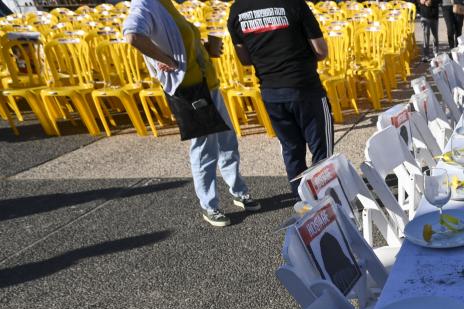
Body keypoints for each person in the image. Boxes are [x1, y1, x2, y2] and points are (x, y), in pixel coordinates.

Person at [125, 0, 256, 227]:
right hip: (188, 90)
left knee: (227, 142)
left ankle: (239, 192)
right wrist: (162, 60)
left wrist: (205, 48)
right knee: (205, 150)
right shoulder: (145, 3)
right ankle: (210, 206)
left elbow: (179, 41)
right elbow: (132, 34)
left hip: (209, 85)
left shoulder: (168, 4)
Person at [228, 0, 332, 197]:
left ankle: (301, 200)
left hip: (271, 91)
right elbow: (321, 51)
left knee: (291, 149)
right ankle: (324, 197)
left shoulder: (237, 9)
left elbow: (245, 59)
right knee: (321, 151)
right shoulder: (294, 3)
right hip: (305, 87)